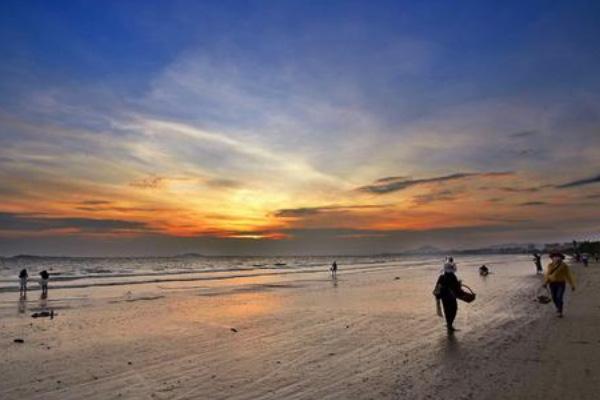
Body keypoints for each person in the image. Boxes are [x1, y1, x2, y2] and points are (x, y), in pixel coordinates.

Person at [543, 252, 575, 318]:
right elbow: (548, 275)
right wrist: (545, 283)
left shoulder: (564, 266)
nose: (556, 258)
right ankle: (558, 308)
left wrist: (572, 285)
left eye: (557, 256)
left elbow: (568, 275)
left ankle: (560, 311)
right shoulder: (550, 265)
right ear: (551, 258)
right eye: (554, 257)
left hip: (561, 283)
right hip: (552, 284)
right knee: (554, 298)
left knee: (559, 297)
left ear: (561, 258)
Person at [433, 259, 461, 332]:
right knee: (454, 310)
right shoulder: (453, 276)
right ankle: (449, 325)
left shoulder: (441, 277)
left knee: (447, 311)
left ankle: (449, 324)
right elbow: (456, 287)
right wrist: (459, 284)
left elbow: (437, 287)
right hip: (451, 297)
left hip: (444, 297)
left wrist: (438, 297)